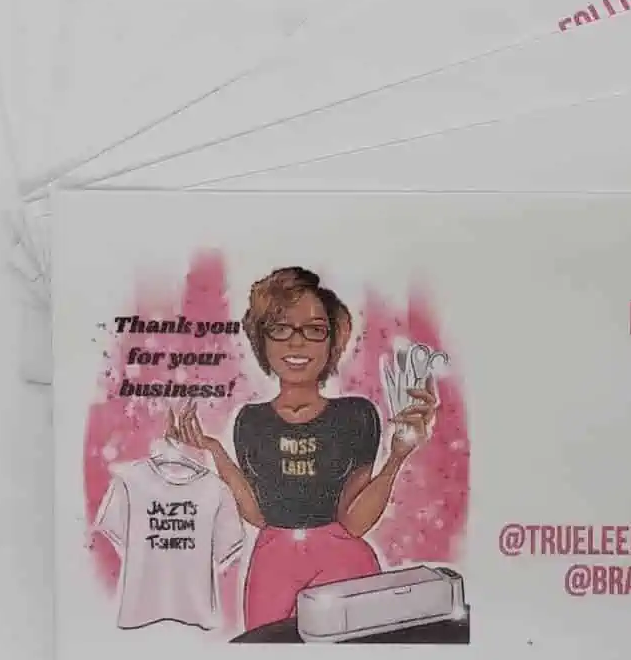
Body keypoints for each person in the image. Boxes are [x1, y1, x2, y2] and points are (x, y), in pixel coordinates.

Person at [168, 266, 437, 632]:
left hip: (343, 563)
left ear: (331, 342)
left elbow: (354, 523)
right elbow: (258, 515)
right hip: (273, 564)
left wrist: (397, 457)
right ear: (262, 340)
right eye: (280, 328)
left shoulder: (355, 416)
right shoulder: (250, 421)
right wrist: (213, 450)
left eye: (314, 330)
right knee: (267, 654)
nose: (297, 343)